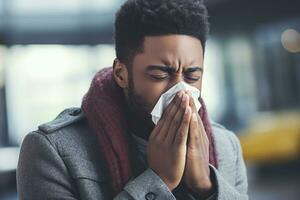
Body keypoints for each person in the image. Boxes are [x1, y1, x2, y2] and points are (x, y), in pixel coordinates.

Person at [17, 0, 248, 199]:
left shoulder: (226, 146)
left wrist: (206, 187)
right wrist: (157, 181)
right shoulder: (52, 153)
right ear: (121, 74)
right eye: (160, 75)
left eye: (192, 76)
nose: (180, 91)